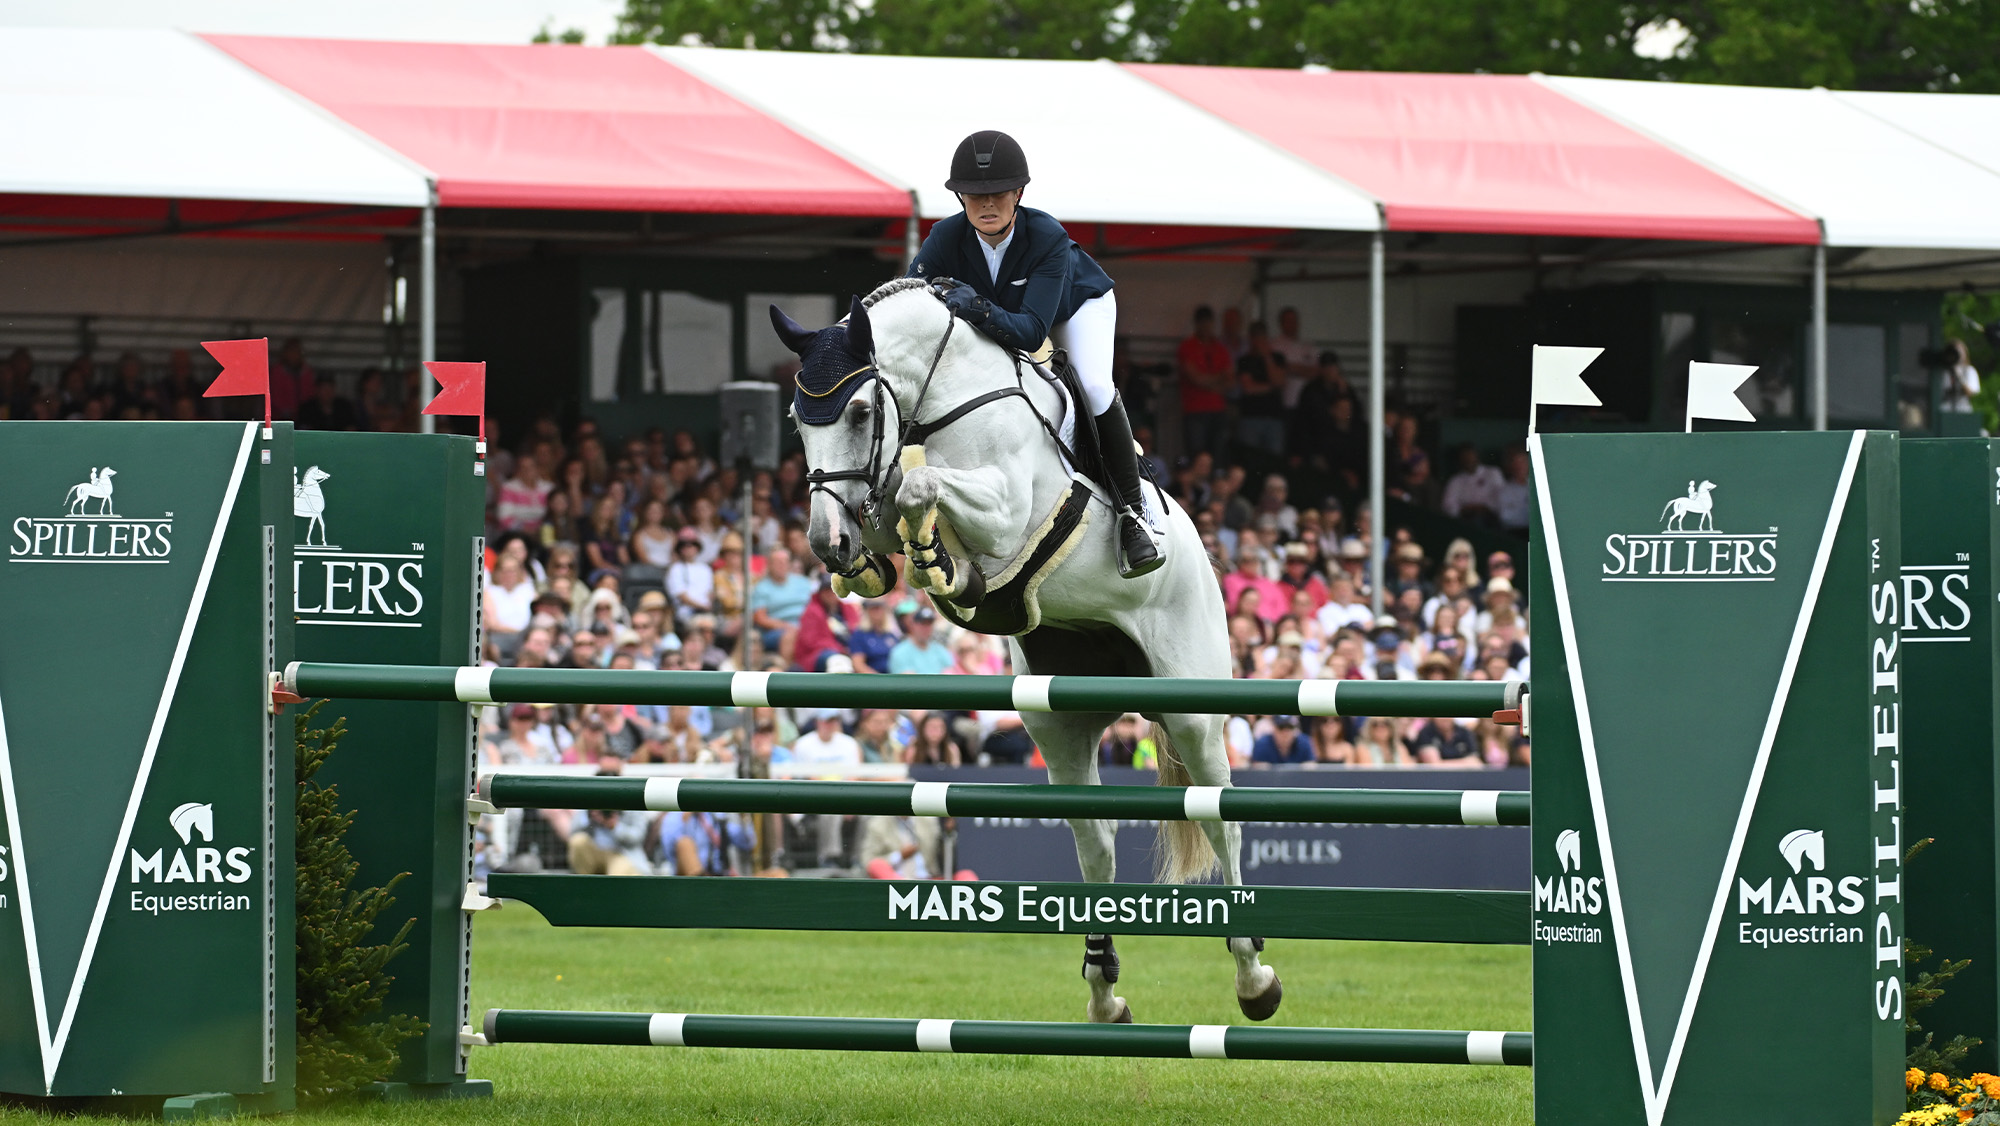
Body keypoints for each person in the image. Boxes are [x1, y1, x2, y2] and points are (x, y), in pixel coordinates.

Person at [908, 130, 1163, 578]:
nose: (986, 205)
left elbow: (1029, 333)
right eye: (974, 195)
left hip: (1075, 307)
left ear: (1019, 193)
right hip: (1002, 316)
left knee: (1096, 385)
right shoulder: (945, 237)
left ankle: (1132, 513)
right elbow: (913, 303)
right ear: (961, 197)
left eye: (998, 194)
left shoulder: (1046, 235)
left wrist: (978, 306)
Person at [887, 607, 951, 675]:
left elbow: (950, 672)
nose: (926, 628)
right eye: (922, 624)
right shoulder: (900, 652)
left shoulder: (939, 649)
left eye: (929, 624)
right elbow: (906, 679)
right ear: (913, 625)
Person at [1250, 715, 1314, 765]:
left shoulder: (1304, 743)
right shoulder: (1262, 744)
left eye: (1289, 727)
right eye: (1281, 727)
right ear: (1274, 728)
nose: (1285, 733)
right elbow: (1259, 773)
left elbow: (1310, 769)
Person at [1943, 338, 1984, 414]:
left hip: (1962, 411)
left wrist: (1958, 374)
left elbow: (1969, 392)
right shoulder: (1942, 372)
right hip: (1944, 410)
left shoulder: (1969, 371)